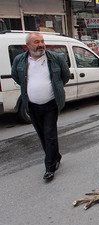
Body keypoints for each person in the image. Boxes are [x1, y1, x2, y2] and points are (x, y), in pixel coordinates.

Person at [11, 32, 70, 181]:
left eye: (42, 41)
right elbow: (16, 77)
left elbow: (65, 75)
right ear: (28, 46)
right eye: (36, 42)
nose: (41, 44)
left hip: (51, 103)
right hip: (32, 105)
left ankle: (49, 167)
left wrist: (56, 87)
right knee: (42, 134)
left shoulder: (55, 58)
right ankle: (55, 156)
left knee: (49, 133)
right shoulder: (20, 60)